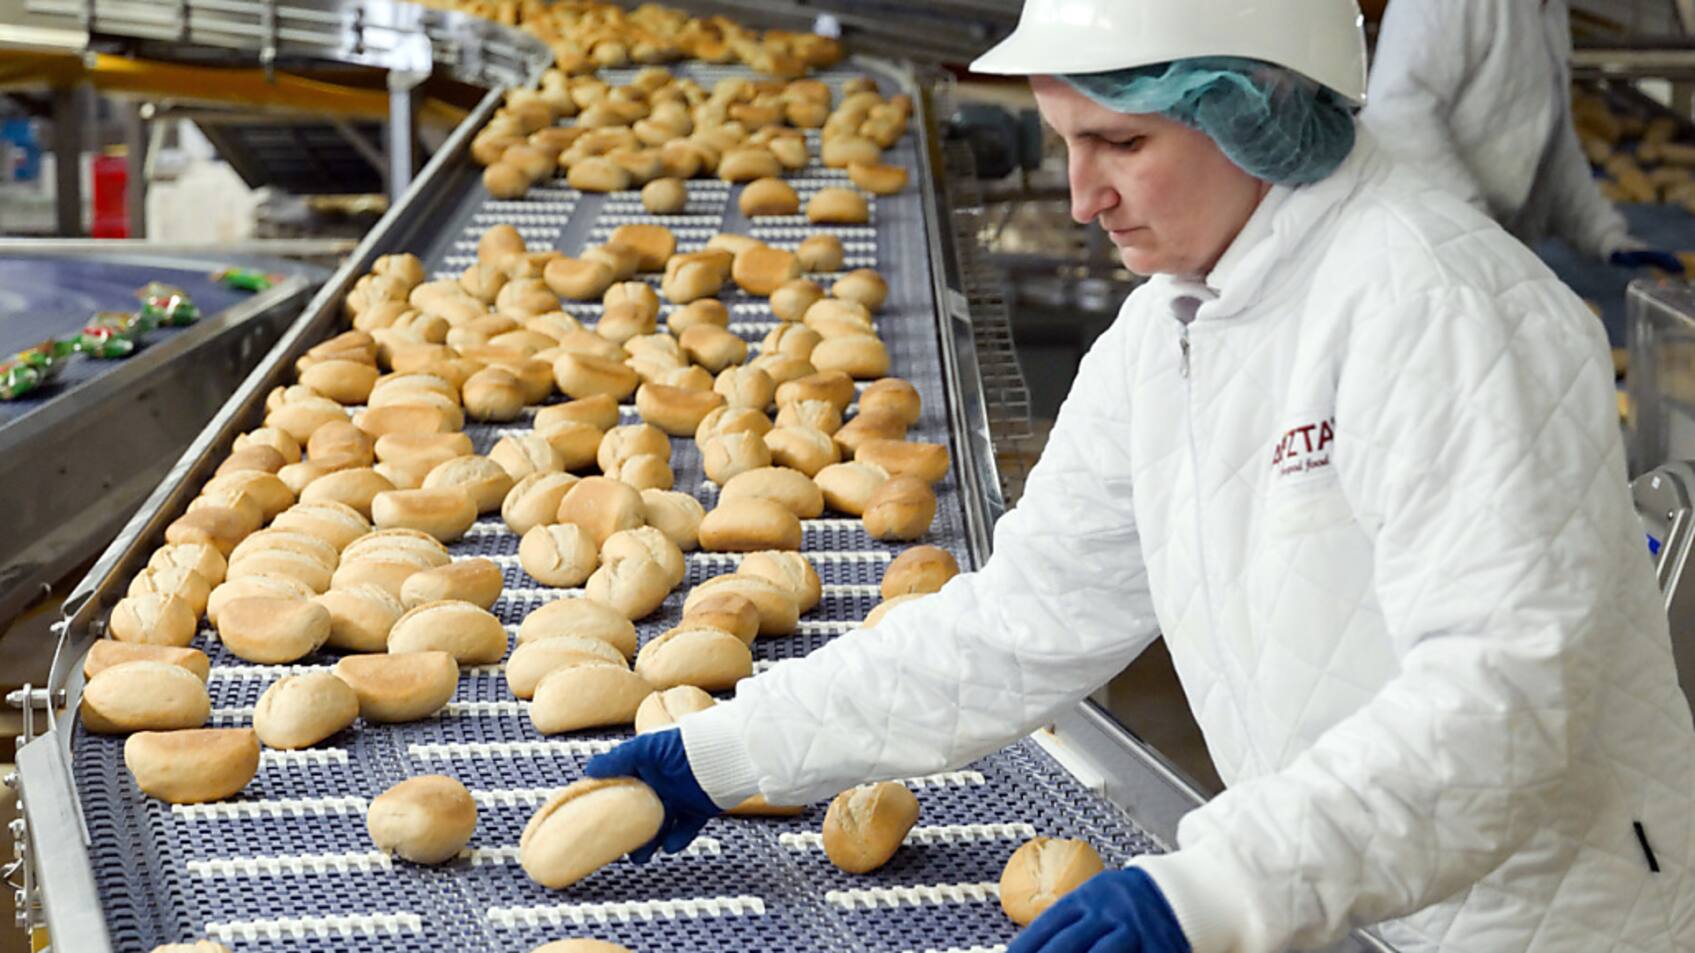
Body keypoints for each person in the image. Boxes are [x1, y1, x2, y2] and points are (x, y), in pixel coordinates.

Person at [588, 0, 1695, 950]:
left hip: (1541, 915)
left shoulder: (1441, 310)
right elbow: (1022, 620)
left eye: (1119, 143)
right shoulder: (1172, 326)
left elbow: (1502, 702)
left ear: (1251, 114)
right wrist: (730, 748)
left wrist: (1217, 888)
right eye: (1065, 142)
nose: (1083, 196)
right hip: (1355, 891)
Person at [1364, 0, 1684, 274]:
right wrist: (1477, 226)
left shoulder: (1546, 10)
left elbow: (1551, 142)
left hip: (1491, 252)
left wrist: (1604, 235)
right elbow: (1396, 113)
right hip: (1428, 248)